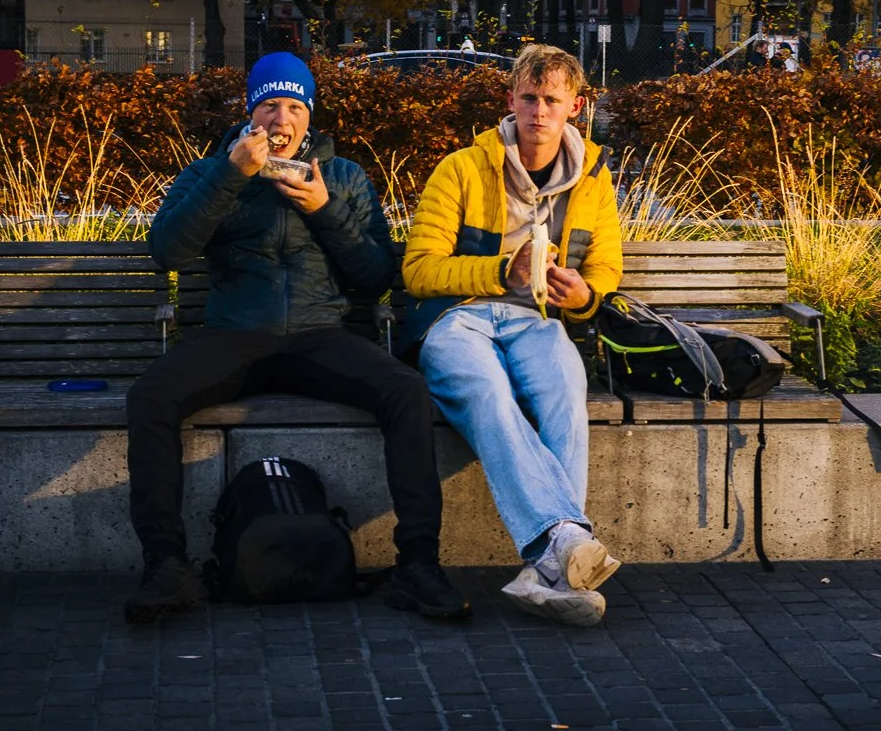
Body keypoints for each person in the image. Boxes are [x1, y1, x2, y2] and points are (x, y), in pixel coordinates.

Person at [123, 53, 468, 625]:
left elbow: (376, 276)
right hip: (235, 336)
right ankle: (166, 565)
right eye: (268, 106)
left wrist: (325, 210)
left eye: (293, 107)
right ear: (250, 114)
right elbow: (168, 251)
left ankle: (419, 564)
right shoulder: (215, 170)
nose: (281, 120)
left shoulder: (344, 177)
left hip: (319, 337)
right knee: (151, 397)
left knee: (406, 391)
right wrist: (231, 175)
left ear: (309, 117)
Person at [404, 44, 624, 627]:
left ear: (575, 106)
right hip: (457, 319)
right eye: (529, 97)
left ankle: (548, 572)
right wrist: (502, 271)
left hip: (536, 320)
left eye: (552, 99)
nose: (539, 111)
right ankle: (565, 543)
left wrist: (586, 295)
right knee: (488, 395)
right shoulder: (461, 168)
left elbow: (604, 268)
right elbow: (419, 270)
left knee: (564, 388)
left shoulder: (593, 182)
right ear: (510, 101)